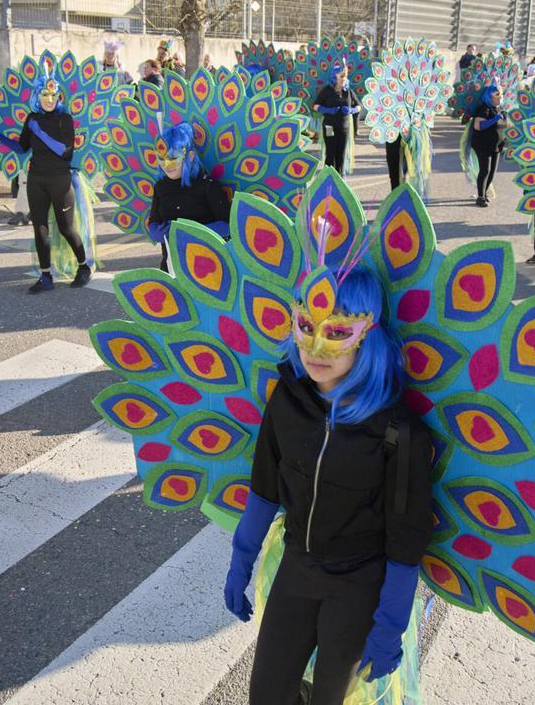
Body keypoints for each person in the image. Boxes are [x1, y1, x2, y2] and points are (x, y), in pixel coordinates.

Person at [226, 264, 432, 705]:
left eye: (337, 332)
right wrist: (240, 560)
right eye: (307, 326)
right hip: (297, 568)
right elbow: (264, 485)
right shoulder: (286, 400)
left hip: (358, 585)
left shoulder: (398, 431)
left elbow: (406, 536)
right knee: (267, 694)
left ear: (366, 336)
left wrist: (391, 622)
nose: (317, 348)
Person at [19, 70, 91, 292]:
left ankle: (83, 267)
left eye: (53, 95)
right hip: (36, 179)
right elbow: (22, 147)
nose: (49, 100)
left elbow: (66, 152)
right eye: (44, 95)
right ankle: (46, 276)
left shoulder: (64, 119)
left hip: (60, 179)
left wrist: (39, 132)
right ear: (37, 96)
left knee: (66, 227)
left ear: (59, 96)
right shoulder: (32, 119)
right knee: (39, 228)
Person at [146, 122, 230, 271]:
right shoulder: (160, 187)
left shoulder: (207, 185)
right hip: (172, 267)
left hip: (207, 268)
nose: (166, 164)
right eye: (161, 158)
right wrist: (155, 232)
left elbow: (228, 225)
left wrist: (190, 233)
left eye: (173, 158)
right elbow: (154, 220)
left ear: (189, 156)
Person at [314, 60, 360, 174]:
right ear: (335, 76)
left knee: (341, 153)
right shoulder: (327, 91)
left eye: (345, 76)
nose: (343, 78)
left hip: (344, 127)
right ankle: (328, 177)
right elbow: (315, 106)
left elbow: (359, 106)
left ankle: (339, 179)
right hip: (329, 126)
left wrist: (352, 110)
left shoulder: (348, 92)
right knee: (330, 152)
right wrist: (327, 110)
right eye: (341, 76)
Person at [471, 83, 506, 207]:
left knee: (492, 171)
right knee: (485, 170)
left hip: (496, 146)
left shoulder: (499, 109)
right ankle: (480, 197)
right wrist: (494, 119)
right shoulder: (484, 108)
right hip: (483, 144)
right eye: (497, 94)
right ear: (489, 96)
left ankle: (484, 193)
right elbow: (478, 126)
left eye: (501, 94)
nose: (500, 97)